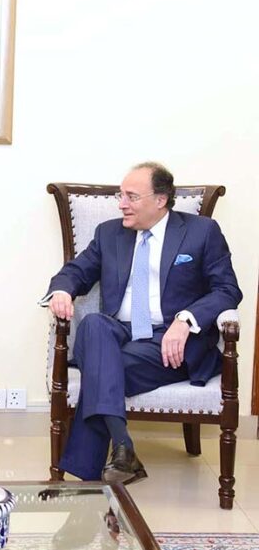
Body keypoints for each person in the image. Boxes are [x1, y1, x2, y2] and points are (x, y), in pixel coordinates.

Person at [42, 162, 242, 485]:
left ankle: (92, 480)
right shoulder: (109, 233)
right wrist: (63, 290)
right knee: (93, 325)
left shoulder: (202, 232)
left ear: (160, 200)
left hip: (169, 343)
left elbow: (227, 290)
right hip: (118, 332)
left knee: (100, 367)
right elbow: (76, 271)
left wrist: (186, 320)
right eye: (121, 195)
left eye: (131, 197)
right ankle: (124, 448)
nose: (121, 204)